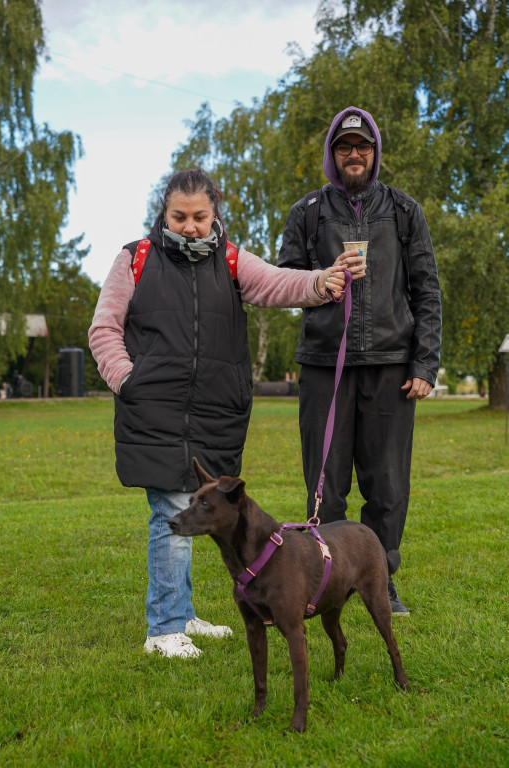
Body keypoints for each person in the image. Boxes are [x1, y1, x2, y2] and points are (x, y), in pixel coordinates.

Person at [88, 168, 347, 658]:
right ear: (164, 213)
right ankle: (164, 628)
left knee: (193, 509)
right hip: (154, 410)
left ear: (215, 215)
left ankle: (182, 613)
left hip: (214, 413)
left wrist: (320, 282)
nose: (189, 226)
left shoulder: (230, 260)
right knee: (171, 510)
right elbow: (104, 329)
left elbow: (276, 284)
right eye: (179, 216)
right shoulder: (135, 259)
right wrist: (128, 380)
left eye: (199, 217)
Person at [277, 107, 441, 615]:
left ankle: (381, 578)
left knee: (387, 483)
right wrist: (322, 279)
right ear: (332, 154)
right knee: (325, 483)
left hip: (392, 365)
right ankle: (322, 578)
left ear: (374, 153)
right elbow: (285, 284)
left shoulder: (404, 210)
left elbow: (427, 291)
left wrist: (424, 365)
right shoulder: (307, 211)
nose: (354, 154)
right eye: (344, 146)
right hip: (326, 364)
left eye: (362, 146)